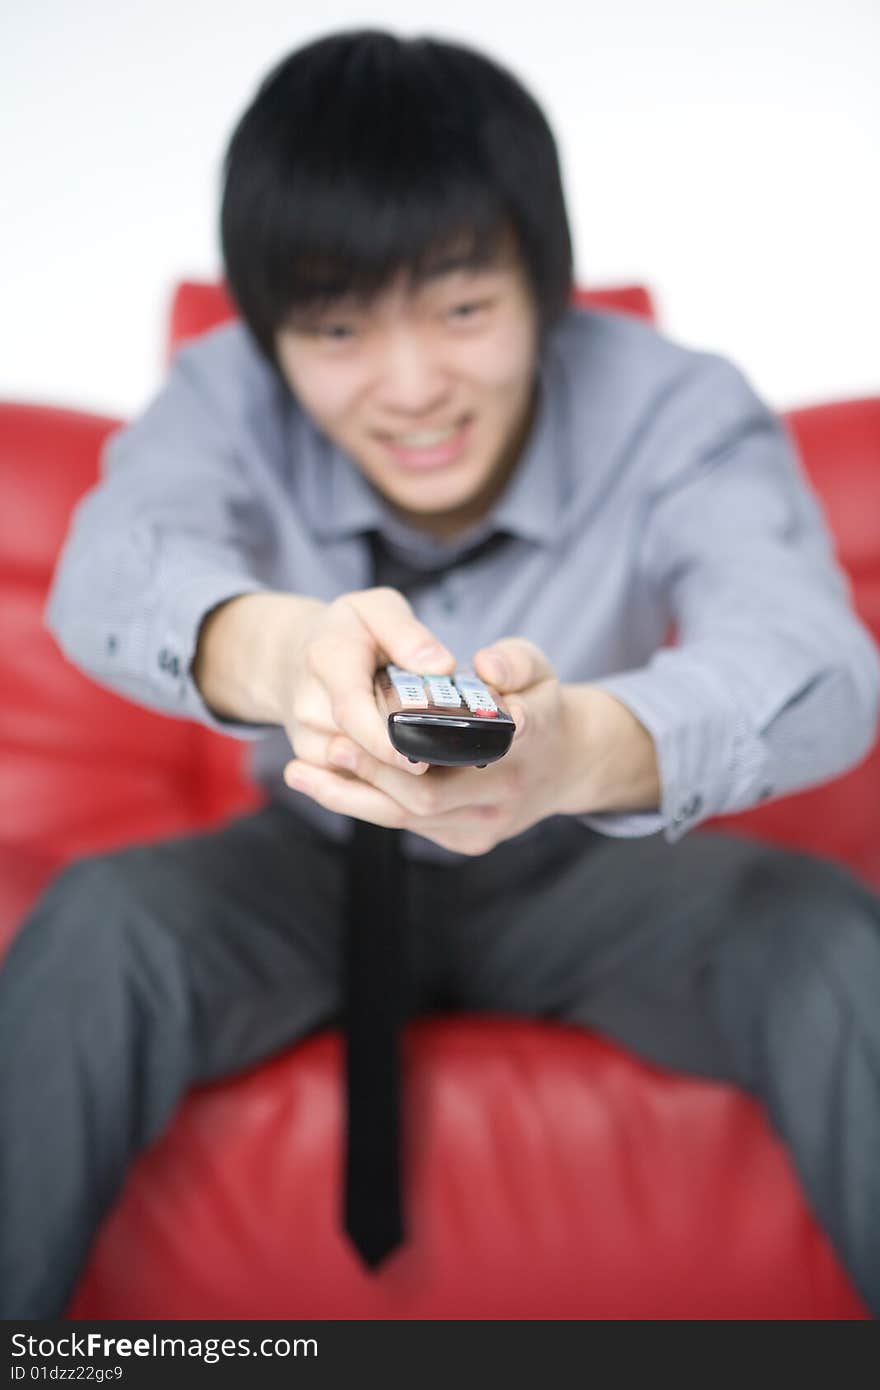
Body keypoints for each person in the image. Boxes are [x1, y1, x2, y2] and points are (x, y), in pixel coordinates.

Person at [2, 27, 879, 1320]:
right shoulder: (221, 393)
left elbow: (810, 660)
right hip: (304, 853)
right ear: (269, 332)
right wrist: (290, 652)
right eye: (341, 329)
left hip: (596, 859)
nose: (412, 389)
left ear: (547, 285)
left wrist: (577, 746)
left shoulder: (676, 406)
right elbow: (114, 568)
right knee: (97, 929)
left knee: (825, 940)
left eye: (464, 310)